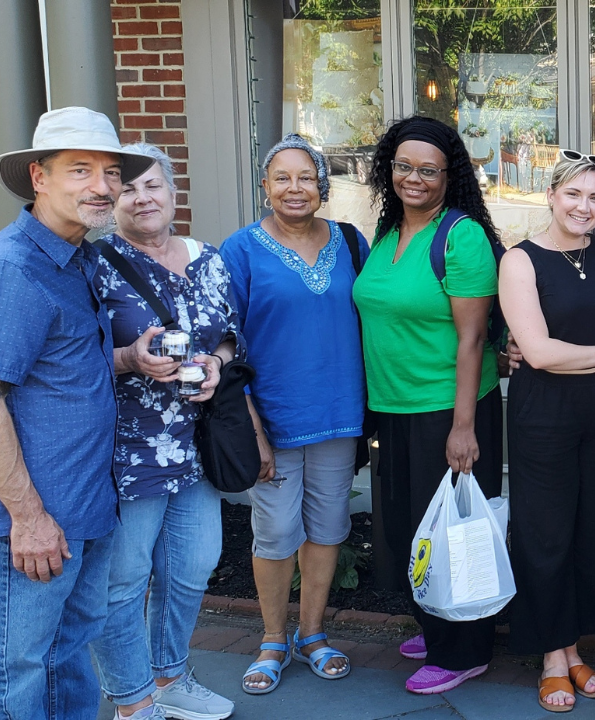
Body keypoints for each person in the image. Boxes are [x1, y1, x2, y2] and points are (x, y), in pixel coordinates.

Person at [0, 107, 154, 719]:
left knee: (66, 655)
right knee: (17, 667)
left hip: (86, 503)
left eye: (111, 171)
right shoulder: (13, 269)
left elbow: (61, 368)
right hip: (40, 520)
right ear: (39, 178)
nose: (101, 185)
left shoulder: (78, 258)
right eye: (80, 170)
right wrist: (29, 517)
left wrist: (129, 358)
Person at [88, 144, 239, 720]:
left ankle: (170, 675)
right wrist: (129, 358)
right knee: (123, 580)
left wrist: (217, 365)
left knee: (193, 566)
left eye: (152, 185)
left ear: (173, 191)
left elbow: (229, 333)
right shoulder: (95, 264)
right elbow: (74, 357)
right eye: (127, 189)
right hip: (128, 451)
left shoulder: (209, 258)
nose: (141, 197)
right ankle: (132, 700)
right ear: (110, 200)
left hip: (197, 444)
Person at [354, 116, 504, 695]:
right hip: (393, 407)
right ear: (388, 169)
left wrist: (463, 427)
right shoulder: (389, 235)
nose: (414, 178)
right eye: (404, 167)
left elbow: (472, 339)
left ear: (450, 176)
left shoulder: (459, 235)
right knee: (414, 527)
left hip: (448, 408)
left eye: (429, 170)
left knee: (453, 532)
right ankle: (437, 622)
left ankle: (464, 649)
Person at [220, 133, 370, 695]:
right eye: (281, 178)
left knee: (328, 528)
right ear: (265, 187)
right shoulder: (241, 249)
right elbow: (225, 345)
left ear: (323, 186)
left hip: (338, 414)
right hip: (273, 419)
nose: (294, 188)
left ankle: (312, 635)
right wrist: (251, 426)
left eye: (306, 177)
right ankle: (272, 639)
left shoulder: (352, 243)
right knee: (277, 530)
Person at [499, 151, 595, 712]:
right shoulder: (520, 261)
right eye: (573, 195)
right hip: (545, 413)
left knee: (593, 530)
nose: (584, 207)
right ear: (551, 196)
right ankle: (553, 660)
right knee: (546, 532)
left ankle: (574, 646)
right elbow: (536, 351)